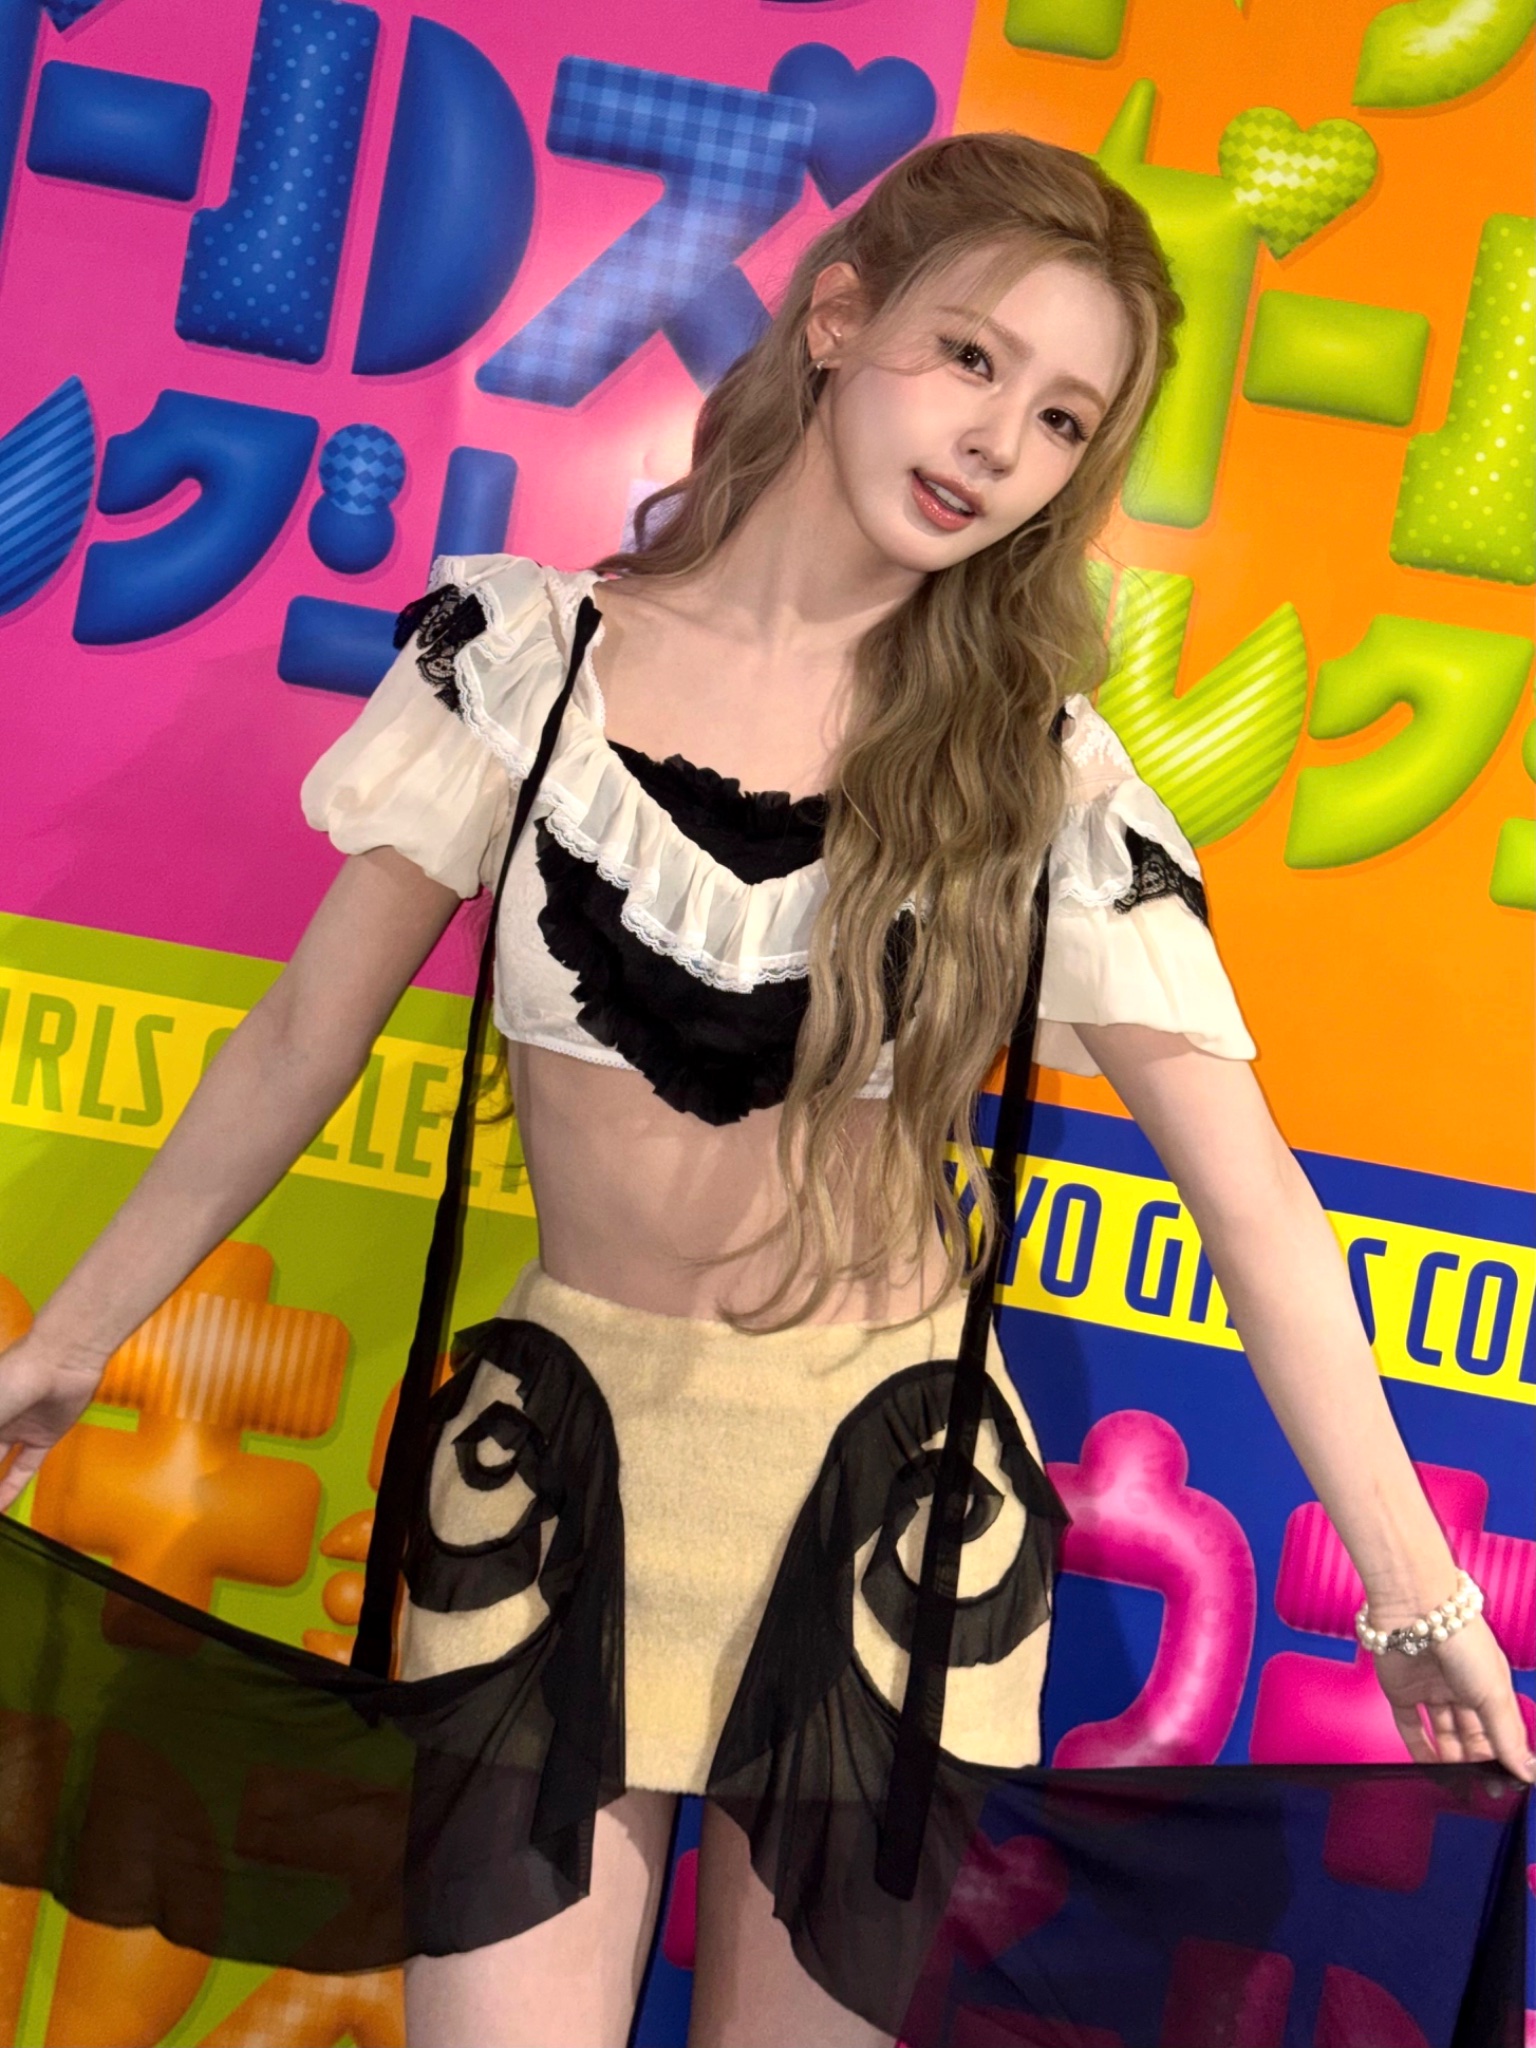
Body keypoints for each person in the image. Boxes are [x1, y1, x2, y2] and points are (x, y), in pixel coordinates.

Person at [0, 132, 1530, 2048]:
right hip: (558, 1468)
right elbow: (301, 1040)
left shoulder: (1039, 776)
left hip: (885, 1510)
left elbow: (1255, 1206)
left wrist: (1416, 1601)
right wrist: (68, 1347)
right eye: (970, 358)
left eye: (1063, 420)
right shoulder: (525, 663)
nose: (998, 444)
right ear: (837, 320)